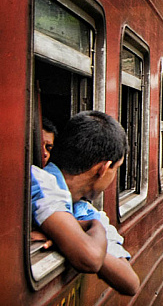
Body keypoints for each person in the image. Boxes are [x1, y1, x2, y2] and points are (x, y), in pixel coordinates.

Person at [30, 111, 140, 296]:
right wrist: (90, 229)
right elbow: (90, 259)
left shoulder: (84, 209)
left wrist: (69, 237)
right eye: (116, 169)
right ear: (103, 168)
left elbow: (131, 283)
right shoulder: (41, 182)